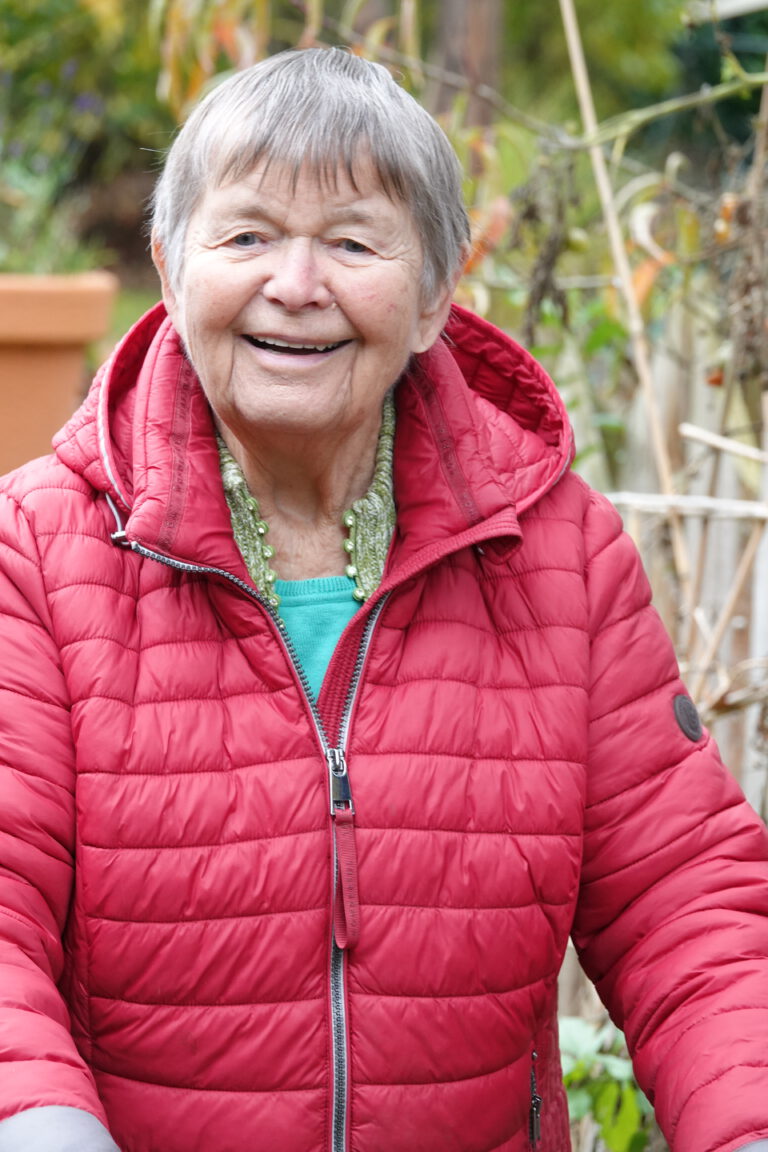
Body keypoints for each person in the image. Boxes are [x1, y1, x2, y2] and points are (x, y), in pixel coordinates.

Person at [0, 46, 766, 1152]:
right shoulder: (37, 550)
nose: (296, 284)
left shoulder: (558, 552)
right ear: (169, 268)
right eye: (247, 236)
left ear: (433, 296)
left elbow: (683, 907)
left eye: (353, 243)